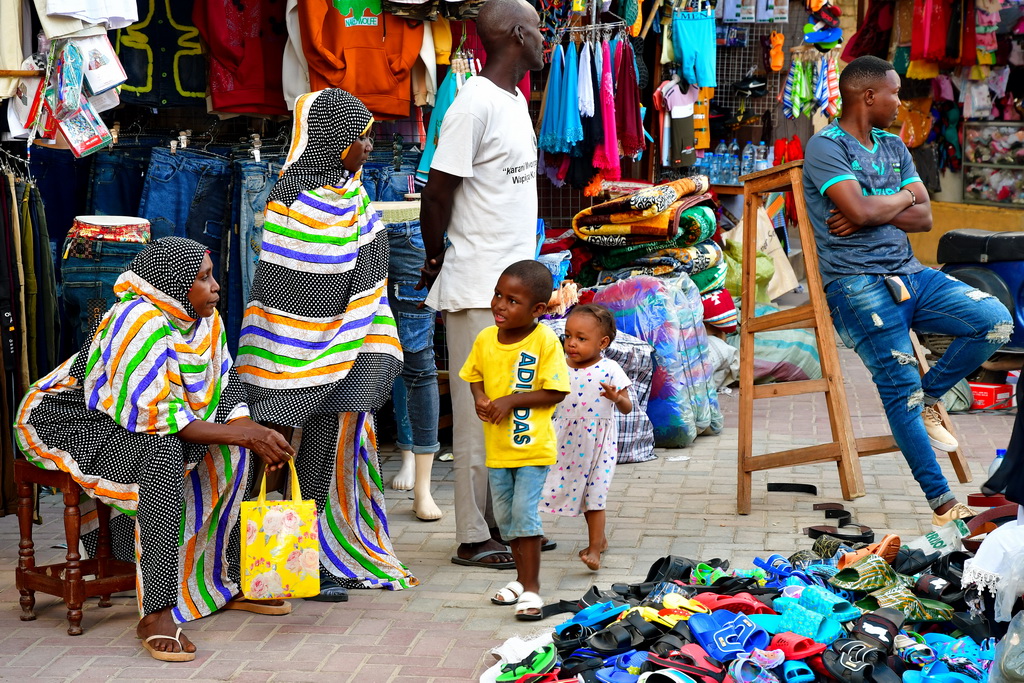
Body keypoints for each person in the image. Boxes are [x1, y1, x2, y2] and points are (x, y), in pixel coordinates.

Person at [15, 237, 296, 662]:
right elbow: (158, 420)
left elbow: (226, 383)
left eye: (213, 276)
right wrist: (244, 433)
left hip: (146, 416)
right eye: (203, 278)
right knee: (162, 459)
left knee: (243, 447)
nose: (215, 286)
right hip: (69, 416)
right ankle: (157, 613)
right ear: (173, 284)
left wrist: (250, 431)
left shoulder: (205, 319)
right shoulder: (137, 320)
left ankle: (221, 580)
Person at [802, 55, 1014, 528]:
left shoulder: (894, 146)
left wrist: (879, 206)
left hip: (911, 273)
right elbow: (859, 209)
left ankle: (930, 397)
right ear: (868, 95)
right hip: (856, 285)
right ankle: (943, 505)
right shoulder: (825, 147)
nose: (901, 102)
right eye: (895, 93)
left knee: (995, 320)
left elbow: (925, 217)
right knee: (898, 387)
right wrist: (895, 200)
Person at [236, 88, 416, 602]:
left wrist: (354, 305)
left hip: (349, 338)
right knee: (269, 456)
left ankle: (312, 560)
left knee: (321, 452)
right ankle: (252, 558)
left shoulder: (352, 192)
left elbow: (368, 266)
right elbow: (289, 280)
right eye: (361, 139)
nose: (367, 149)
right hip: (288, 345)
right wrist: (341, 296)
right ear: (335, 139)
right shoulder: (290, 197)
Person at [418, 0, 546, 569]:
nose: (546, 39)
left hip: (512, 286)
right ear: (518, 33)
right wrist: (432, 253)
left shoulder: (513, 98)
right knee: (478, 417)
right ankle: (472, 536)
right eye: (540, 29)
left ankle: (504, 524)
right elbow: (437, 190)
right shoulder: (473, 104)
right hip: (478, 288)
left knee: (509, 413)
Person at [460, 260, 569, 619]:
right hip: (498, 451)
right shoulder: (485, 339)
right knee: (508, 523)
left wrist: (509, 401)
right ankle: (521, 581)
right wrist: (480, 397)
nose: (500, 305)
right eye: (498, 296)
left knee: (524, 516)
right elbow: (473, 375)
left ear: (538, 309)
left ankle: (534, 589)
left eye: (512, 300)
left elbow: (555, 392)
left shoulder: (545, 341)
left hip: (533, 450)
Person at [540, 304, 632, 572]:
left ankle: (594, 550)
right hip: (566, 441)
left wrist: (616, 398)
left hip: (599, 444)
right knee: (576, 492)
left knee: (595, 495)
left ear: (602, 342)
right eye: (568, 336)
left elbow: (627, 407)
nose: (571, 344)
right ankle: (600, 539)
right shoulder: (559, 366)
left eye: (581, 338)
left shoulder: (611, 369)